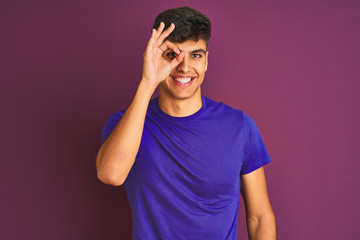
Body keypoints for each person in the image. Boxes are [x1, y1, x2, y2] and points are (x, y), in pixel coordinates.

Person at [96, 6, 276, 240]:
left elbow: (259, 216)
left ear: (206, 61)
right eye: (172, 54)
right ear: (155, 57)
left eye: (196, 55)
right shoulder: (126, 123)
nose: (184, 67)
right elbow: (111, 175)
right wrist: (148, 83)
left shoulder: (240, 126)